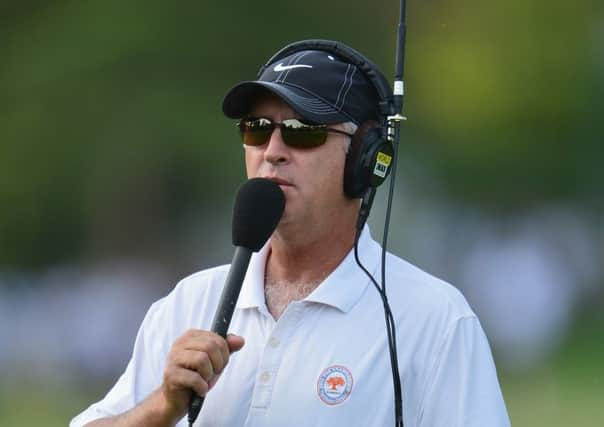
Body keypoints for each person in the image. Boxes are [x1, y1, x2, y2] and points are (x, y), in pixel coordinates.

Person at [71, 40, 510, 427]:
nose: (273, 152)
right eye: (257, 129)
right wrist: (161, 409)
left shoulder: (435, 321)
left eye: (303, 131)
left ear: (366, 158)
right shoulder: (186, 304)